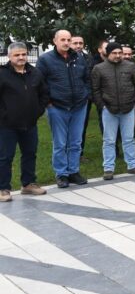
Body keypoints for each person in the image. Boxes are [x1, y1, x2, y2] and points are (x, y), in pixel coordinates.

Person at [36, 29, 91, 187]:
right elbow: (40, 83)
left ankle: (73, 171)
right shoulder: (45, 60)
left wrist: (86, 95)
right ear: (55, 41)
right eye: (63, 40)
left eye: (68, 39)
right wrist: (48, 102)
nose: (66, 43)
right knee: (60, 143)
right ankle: (61, 174)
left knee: (75, 142)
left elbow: (87, 78)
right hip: (57, 107)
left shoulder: (78, 58)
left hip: (79, 106)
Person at [0, 42, 49, 200]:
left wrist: (38, 111)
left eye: (23, 54)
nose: (21, 57)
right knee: (5, 157)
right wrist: (4, 115)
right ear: (9, 56)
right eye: (17, 55)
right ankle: (3, 189)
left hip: (30, 123)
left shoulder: (35, 73)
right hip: (7, 125)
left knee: (30, 154)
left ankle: (28, 184)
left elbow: (44, 94)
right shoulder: (2, 74)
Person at [90, 42, 135, 179]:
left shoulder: (131, 66)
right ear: (108, 53)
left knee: (129, 138)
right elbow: (95, 89)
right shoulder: (98, 68)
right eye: (114, 53)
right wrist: (101, 105)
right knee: (108, 140)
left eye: (119, 52)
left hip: (128, 108)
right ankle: (108, 168)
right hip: (108, 109)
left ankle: (132, 165)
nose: (118, 55)